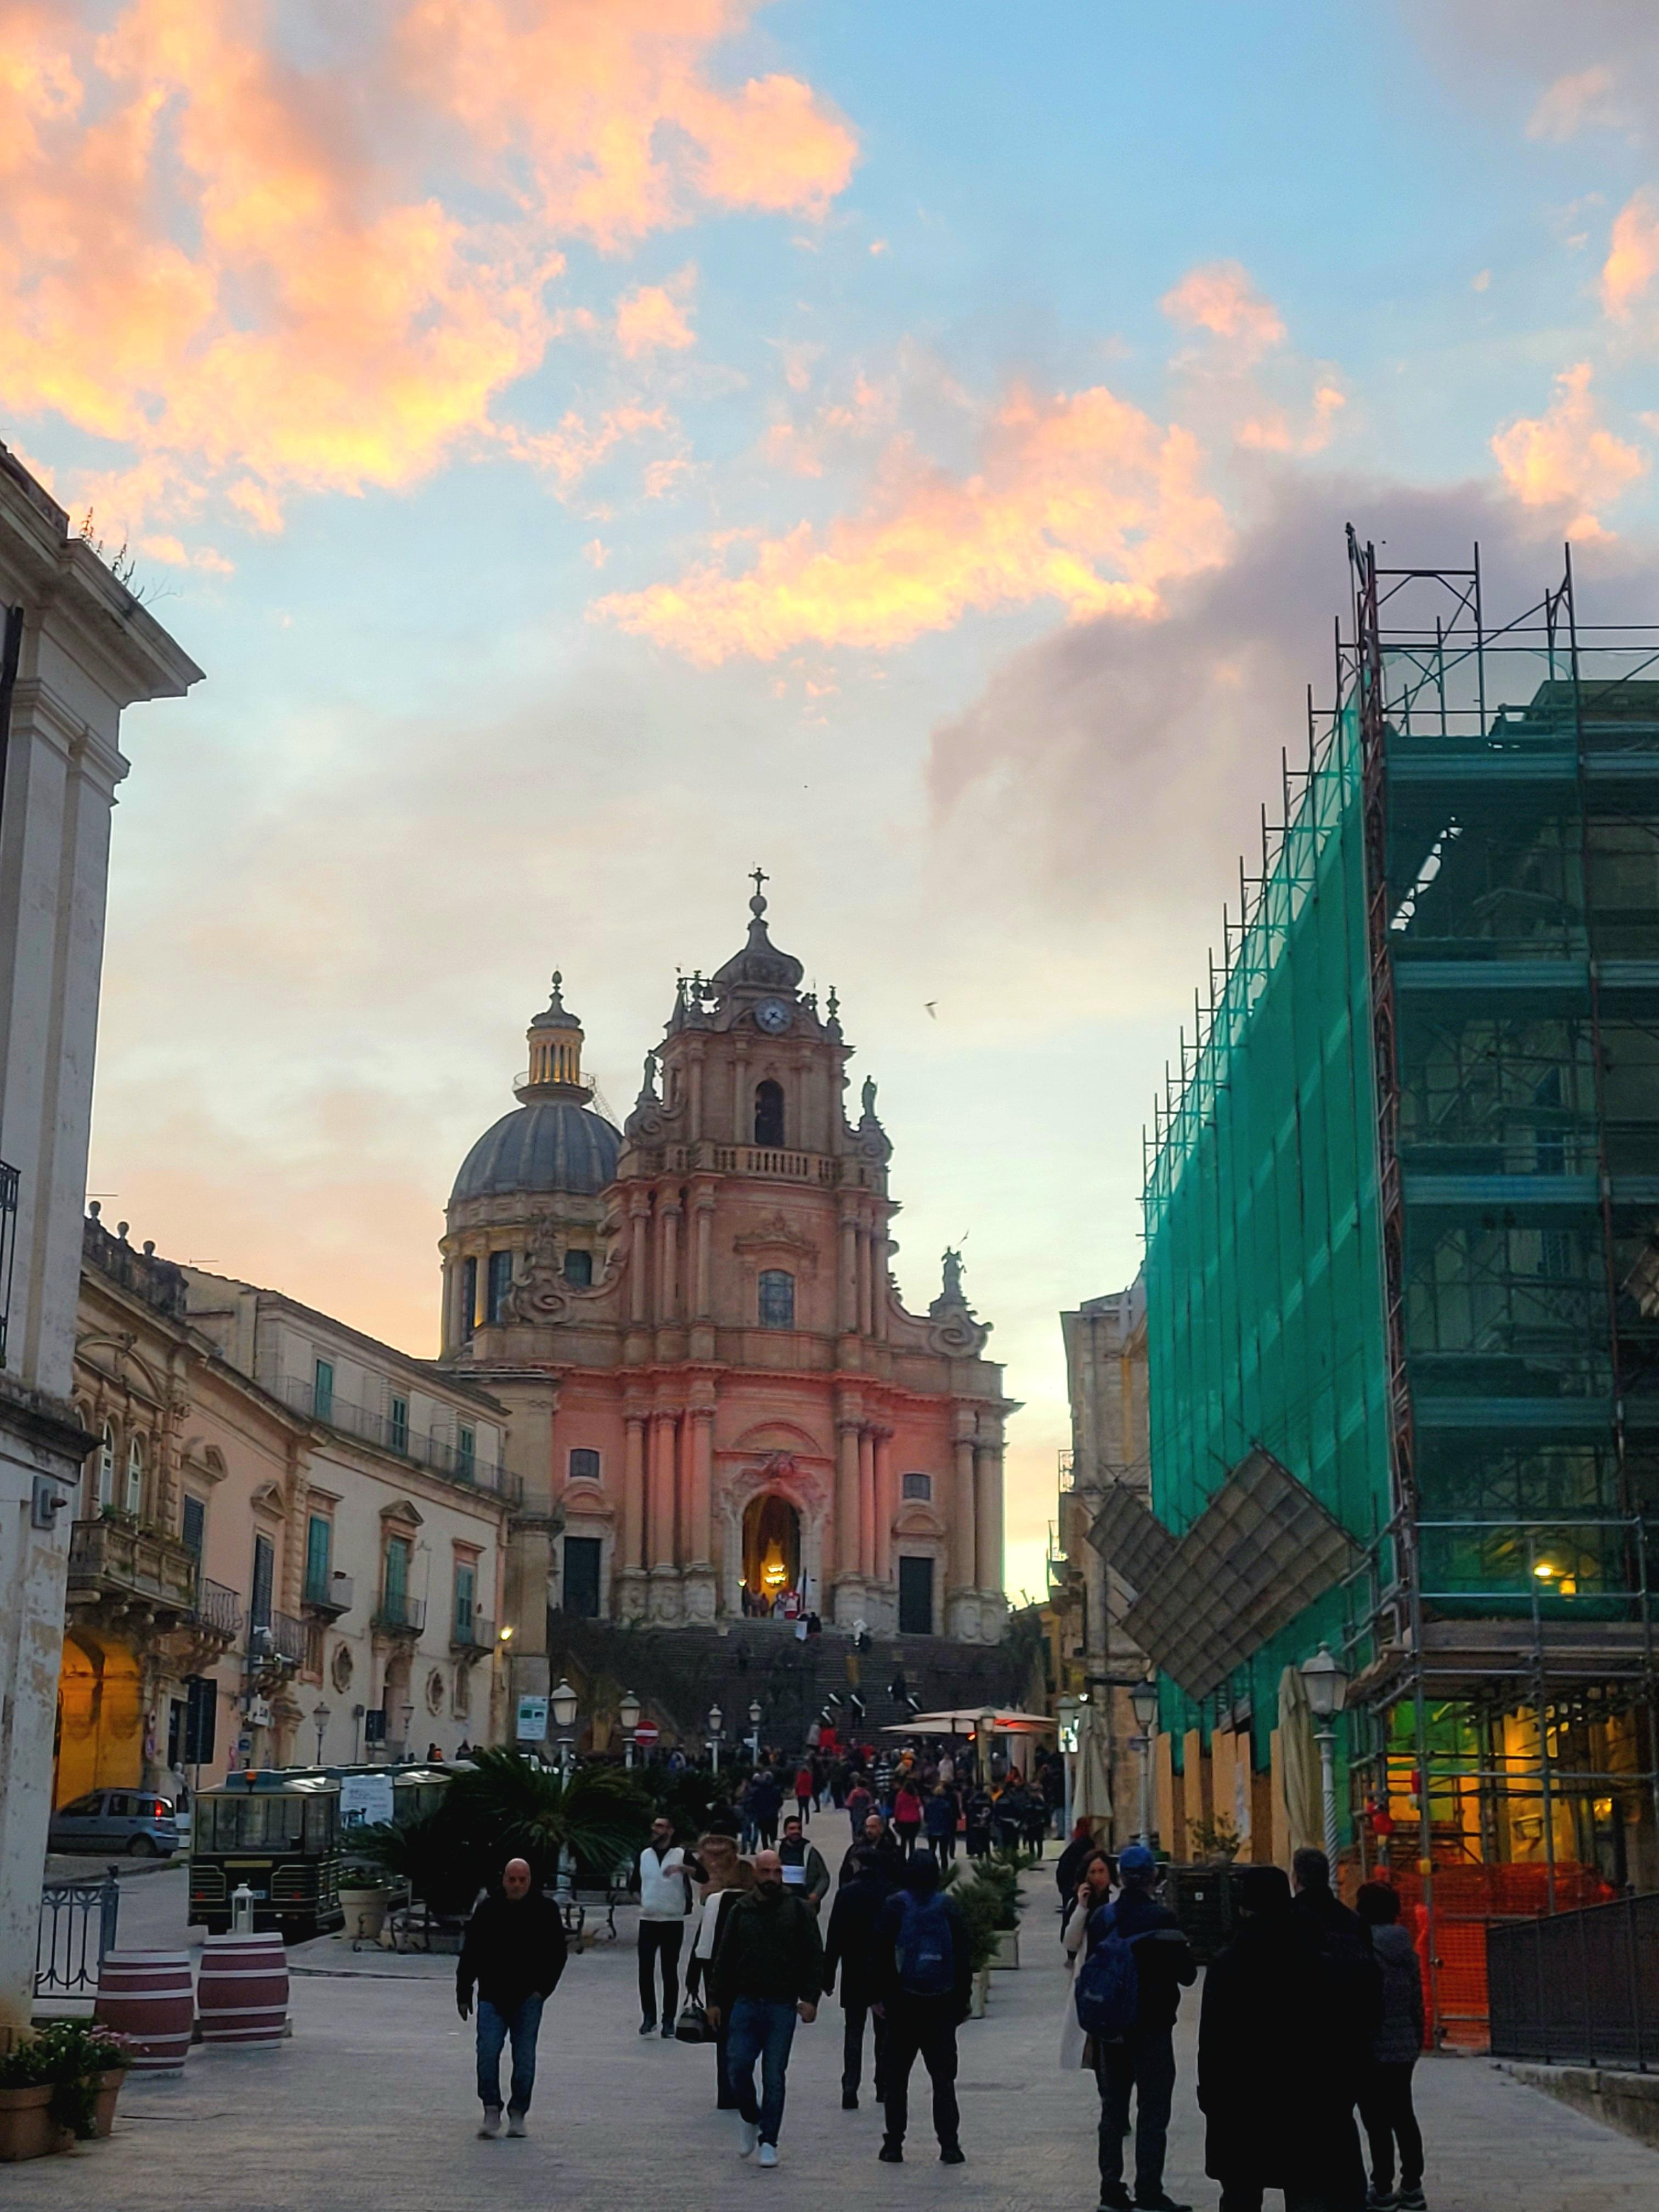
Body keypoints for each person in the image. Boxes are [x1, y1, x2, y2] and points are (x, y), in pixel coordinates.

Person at [1087, 1841, 1197, 2212]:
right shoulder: (1162, 1919)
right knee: (1153, 2110)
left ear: (1120, 1877)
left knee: (1112, 2110)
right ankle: (1149, 2190)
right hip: (1153, 2027)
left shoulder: (1103, 1918)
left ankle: (1110, 2191)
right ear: (1153, 1877)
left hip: (1112, 2028)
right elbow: (1186, 1975)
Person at [708, 1847, 825, 2169]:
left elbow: (815, 1956)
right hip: (744, 2003)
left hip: (781, 2006)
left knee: (774, 2076)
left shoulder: (798, 1911)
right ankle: (750, 2116)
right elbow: (724, 1957)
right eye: (766, 1872)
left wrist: (811, 1999)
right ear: (755, 1873)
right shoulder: (741, 1910)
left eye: (777, 1872)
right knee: (737, 2067)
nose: (772, 1878)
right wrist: (715, 2000)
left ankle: (769, 2140)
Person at [1291, 1848, 1383, 2212]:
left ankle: (1315, 2194)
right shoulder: (1351, 1920)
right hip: (1351, 2036)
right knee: (1342, 2121)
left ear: (1296, 1878)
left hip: (1307, 2039)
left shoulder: (1292, 1919)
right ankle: (1351, 2194)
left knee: (1309, 2124)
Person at [456, 1857, 568, 2139]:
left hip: (528, 1998)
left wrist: (543, 1990)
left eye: (523, 1880)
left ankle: (518, 2113)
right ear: (504, 1879)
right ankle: (491, 2108)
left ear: (530, 1881)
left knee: (525, 2058)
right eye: (512, 1879)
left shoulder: (545, 1910)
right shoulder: (488, 1909)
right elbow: (471, 1952)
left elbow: (557, 1954)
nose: (517, 1885)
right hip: (492, 1995)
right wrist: (463, 1990)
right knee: (487, 2052)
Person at [875, 1851, 970, 2165]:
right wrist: (962, 2001)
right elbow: (964, 1958)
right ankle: (950, 2145)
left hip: (902, 2007)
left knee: (896, 2080)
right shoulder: (949, 1907)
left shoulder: (895, 1906)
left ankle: (893, 2144)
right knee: (943, 2081)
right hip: (940, 2007)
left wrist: (881, 1997)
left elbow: (879, 1956)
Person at [1356, 1883, 1425, 2212]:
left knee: (1376, 2121)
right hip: (1404, 2043)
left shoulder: (1362, 1948)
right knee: (1404, 2115)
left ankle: (1382, 2187)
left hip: (1373, 2045)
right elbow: (1417, 2001)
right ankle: (1413, 2186)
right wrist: (1417, 2037)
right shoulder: (1407, 1951)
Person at [823, 1844, 893, 2110]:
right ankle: (883, 2085)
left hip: (854, 1972)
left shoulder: (847, 1894)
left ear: (859, 1865)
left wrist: (828, 1975)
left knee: (853, 2031)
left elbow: (835, 1937)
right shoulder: (890, 1894)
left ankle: (850, 2087)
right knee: (883, 2032)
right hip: (883, 1973)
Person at [637, 1813, 693, 2037]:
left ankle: (668, 2019)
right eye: (655, 1826)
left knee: (669, 1971)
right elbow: (635, 1882)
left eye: (661, 1827)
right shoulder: (644, 1855)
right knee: (645, 1971)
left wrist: (684, 1870)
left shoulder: (681, 1854)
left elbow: (705, 1875)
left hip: (672, 1921)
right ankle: (648, 2016)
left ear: (670, 1831)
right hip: (648, 1920)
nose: (656, 1830)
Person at [778, 1813, 831, 1912]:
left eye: (799, 1829)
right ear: (785, 1831)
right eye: (792, 1828)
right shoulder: (776, 1850)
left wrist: (816, 1894)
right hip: (780, 1901)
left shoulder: (810, 1852)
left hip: (804, 1901)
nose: (796, 1832)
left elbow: (824, 1877)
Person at [840, 1809, 903, 1889]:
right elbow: (845, 1874)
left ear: (881, 1829)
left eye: (873, 1827)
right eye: (867, 1827)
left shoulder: (893, 1851)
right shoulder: (855, 1850)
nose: (869, 1831)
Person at [746, 1766, 782, 1850]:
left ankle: (765, 1849)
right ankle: (773, 1847)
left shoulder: (759, 1791)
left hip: (762, 1816)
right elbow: (780, 1802)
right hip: (773, 1815)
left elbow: (754, 1802)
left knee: (764, 1833)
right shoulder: (776, 1790)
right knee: (773, 1833)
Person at [924, 1780, 959, 1863]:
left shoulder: (929, 1804)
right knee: (943, 1853)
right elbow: (949, 1817)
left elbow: (926, 1817)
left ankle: (933, 1866)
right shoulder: (946, 1805)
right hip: (944, 1831)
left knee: (932, 1850)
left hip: (932, 1830)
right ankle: (945, 1870)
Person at [891, 1776, 924, 1859]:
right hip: (914, 1820)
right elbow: (918, 1805)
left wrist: (896, 1819)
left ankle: (903, 1858)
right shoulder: (915, 1796)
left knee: (903, 1841)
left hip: (903, 1820)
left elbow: (897, 1808)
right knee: (912, 1841)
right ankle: (912, 1857)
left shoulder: (900, 1795)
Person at [963, 1784, 993, 1859]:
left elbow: (969, 1809)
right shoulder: (987, 1797)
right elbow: (992, 1807)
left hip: (976, 1822)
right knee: (986, 1838)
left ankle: (980, 1854)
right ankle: (988, 1853)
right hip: (986, 1822)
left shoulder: (974, 1798)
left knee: (978, 1839)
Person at [793, 1762, 815, 1826]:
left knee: (800, 1808)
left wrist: (796, 1792)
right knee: (806, 1807)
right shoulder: (810, 1777)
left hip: (800, 1793)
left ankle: (800, 1819)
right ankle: (807, 1820)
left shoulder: (799, 1776)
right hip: (807, 1794)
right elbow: (811, 1785)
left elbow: (797, 1785)